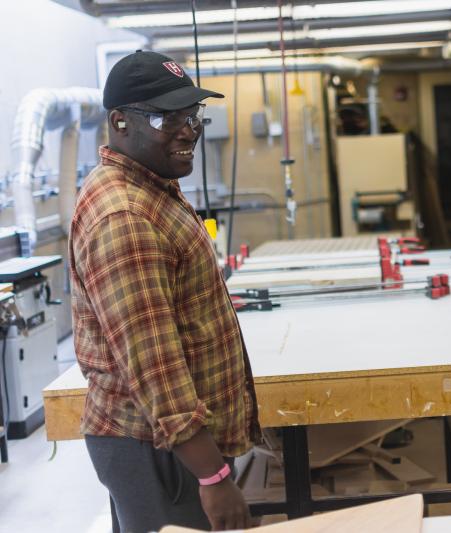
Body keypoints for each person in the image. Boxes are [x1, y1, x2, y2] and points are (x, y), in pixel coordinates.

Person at [69, 50, 261, 532]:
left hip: (168, 446)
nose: (187, 131)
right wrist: (213, 475)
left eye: (191, 116)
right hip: (157, 447)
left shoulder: (152, 185)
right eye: (164, 118)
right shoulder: (126, 217)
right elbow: (155, 365)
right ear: (118, 123)